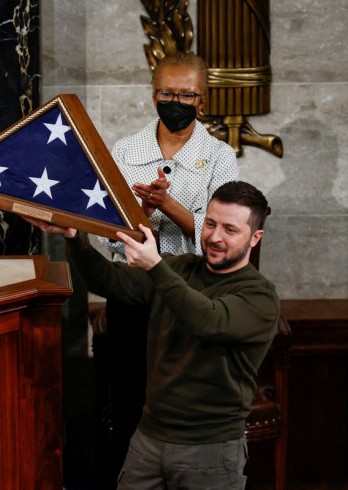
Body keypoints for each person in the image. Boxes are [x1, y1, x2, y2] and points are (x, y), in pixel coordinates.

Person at [25, 180, 280, 489]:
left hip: (210, 449)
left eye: (230, 230)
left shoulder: (260, 296)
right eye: (210, 224)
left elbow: (208, 320)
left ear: (255, 238)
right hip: (148, 438)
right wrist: (75, 238)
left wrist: (157, 267)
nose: (214, 237)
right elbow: (109, 281)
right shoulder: (181, 267)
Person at [91, 52, 239, 488]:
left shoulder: (218, 155)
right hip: (133, 293)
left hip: (192, 298)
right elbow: (106, 231)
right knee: (130, 404)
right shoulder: (125, 150)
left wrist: (169, 206)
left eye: (186, 94)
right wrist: (139, 208)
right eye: (166, 92)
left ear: (203, 101)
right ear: (153, 94)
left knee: (182, 406)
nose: (175, 100)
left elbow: (224, 236)